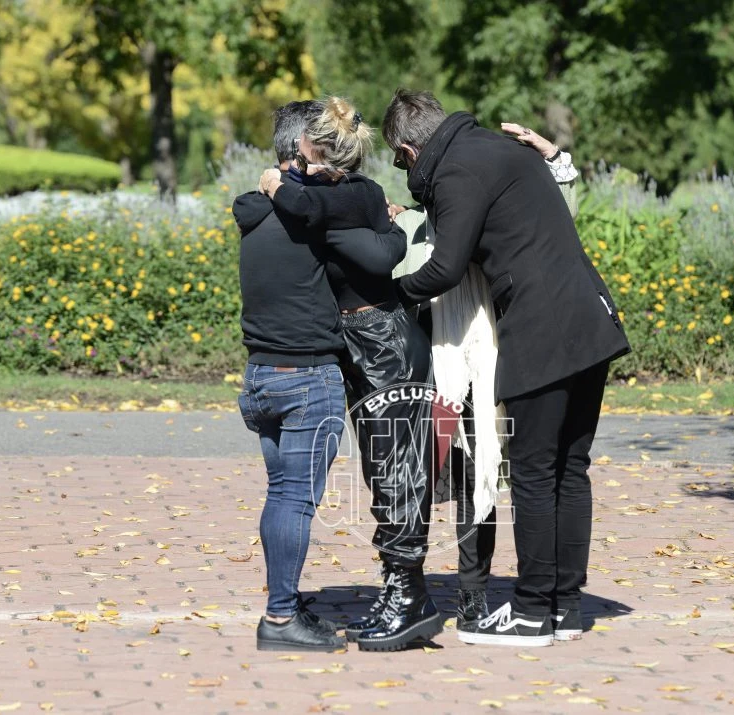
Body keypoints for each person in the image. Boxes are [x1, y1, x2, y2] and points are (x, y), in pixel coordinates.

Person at [383, 89, 631, 647]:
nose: (404, 172)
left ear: (408, 149)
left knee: (535, 471)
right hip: (590, 318)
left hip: (541, 329)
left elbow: (445, 267)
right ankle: (565, 607)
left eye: (400, 162)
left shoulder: (455, 172)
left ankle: (530, 612)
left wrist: (391, 293)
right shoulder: (497, 149)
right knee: (570, 467)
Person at [258, 97, 441, 652]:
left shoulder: (335, 196)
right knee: (382, 466)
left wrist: (275, 183)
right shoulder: (350, 196)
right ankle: (398, 586)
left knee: (398, 466)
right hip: (360, 341)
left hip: (384, 340)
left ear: (310, 149)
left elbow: (307, 213)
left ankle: (409, 595)